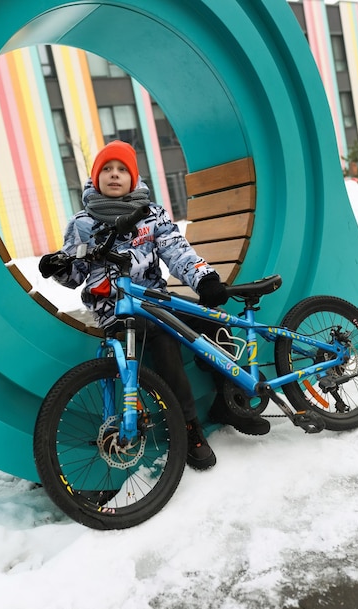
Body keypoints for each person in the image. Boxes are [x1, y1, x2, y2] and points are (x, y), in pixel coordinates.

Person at [39, 141, 270, 471]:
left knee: (212, 320)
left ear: (133, 178)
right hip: (114, 307)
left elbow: (177, 252)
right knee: (163, 339)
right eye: (107, 169)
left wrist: (204, 279)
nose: (114, 175)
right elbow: (76, 273)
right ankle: (189, 426)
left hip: (155, 298)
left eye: (122, 170)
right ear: (95, 177)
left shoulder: (151, 214)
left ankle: (228, 401)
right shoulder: (83, 222)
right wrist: (60, 266)